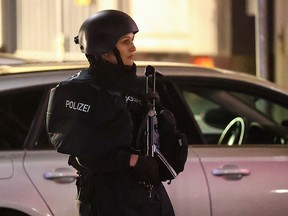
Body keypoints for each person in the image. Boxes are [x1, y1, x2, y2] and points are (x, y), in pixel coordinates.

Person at [47, 10, 176, 216]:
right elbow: (84, 151)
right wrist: (132, 161)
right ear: (103, 48)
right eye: (125, 42)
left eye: (132, 40)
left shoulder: (139, 87)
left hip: (147, 197)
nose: (133, 48)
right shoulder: (81, 91)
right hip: (107, 198)